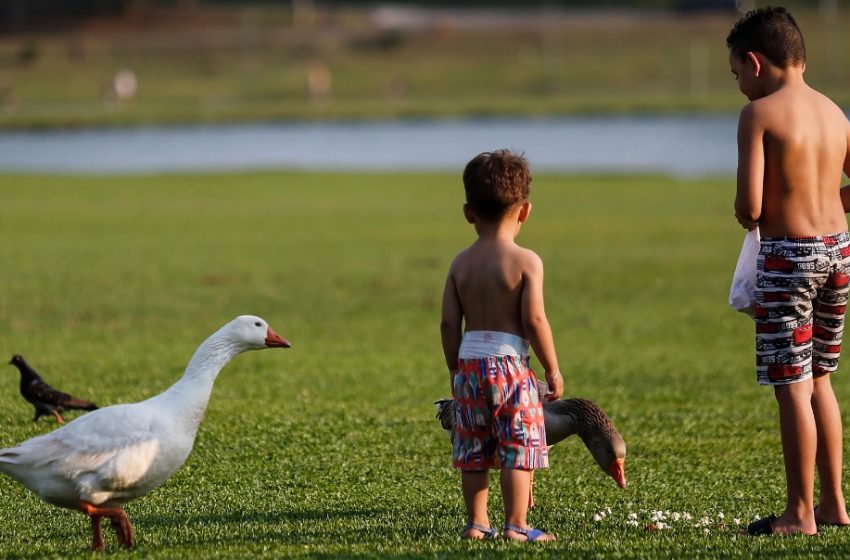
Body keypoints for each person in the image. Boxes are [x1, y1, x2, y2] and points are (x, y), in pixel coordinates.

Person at [728, 6, 850, 536]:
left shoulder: (760, 115)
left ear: (754, 62)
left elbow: (751, 207)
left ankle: (799, 513)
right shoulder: (834, 111)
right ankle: (834, 504)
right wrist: (829, 200)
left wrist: (746, 212)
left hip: (791, 257)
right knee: (822, 379)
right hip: (839, 251)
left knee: (793, 385)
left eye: (736, 74)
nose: (738, 85)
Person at [440, 149, 564, 542]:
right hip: (511, 368)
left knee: (474, 448)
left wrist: (455, 369)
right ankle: (517, 524)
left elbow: (447, 322)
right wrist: (552, 368)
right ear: (525, 211)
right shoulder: (527, 261)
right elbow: (535, 320)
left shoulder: (460, 264)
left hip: (469, 365)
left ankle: (477, 523)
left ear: (467, 212)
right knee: (519, 445)